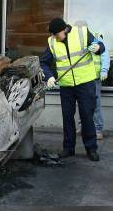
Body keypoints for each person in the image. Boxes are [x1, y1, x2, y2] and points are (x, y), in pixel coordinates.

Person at [40, 18, 103, 161]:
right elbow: (43, 62)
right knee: (67, 117)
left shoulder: (82, 33)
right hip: (66, 86)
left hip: (85, 83)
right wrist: (49, 77)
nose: (54, 37)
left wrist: (98, 48)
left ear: (64, 30)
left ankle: (91, 149)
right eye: (53, 35)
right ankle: (68, 148)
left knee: (87, 115)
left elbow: (100, 47)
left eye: (56, 34)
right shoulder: (52, 42)